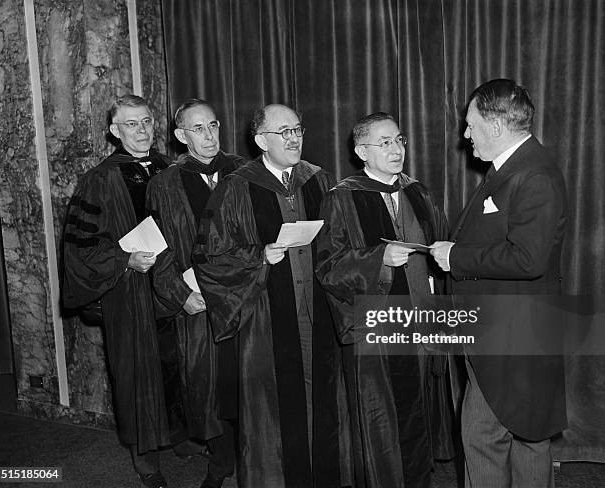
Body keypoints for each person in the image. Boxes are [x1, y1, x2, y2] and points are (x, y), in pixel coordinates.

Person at [193, 104, 349, 487]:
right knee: (272, 406)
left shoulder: (318, 179)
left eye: (298, 129)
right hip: (266, 316)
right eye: (285, 132)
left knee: (325, 397)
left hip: (318, 309)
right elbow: (209, 256)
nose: (295, 138)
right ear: (262, 140)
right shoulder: (237, 185)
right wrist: (258, 255)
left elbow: (340, 242)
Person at [430, 78, 568, 488]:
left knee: (483, 436)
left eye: (470, 124)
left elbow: (528, 259)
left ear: (494, 125)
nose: (465, 134)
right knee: (527, 436)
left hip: (509, 335)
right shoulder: (514, 168)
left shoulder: (533, 173)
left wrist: (456, 256)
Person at [316, 112, 451, 488]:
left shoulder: (417, 191)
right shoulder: (342, 197)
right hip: (378, 325)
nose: (396, 150)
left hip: (420, 321)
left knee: (418, 409)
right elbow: (327, 266)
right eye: (385, 142)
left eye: (399, 140)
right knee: (380, 418)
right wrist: (378, 260)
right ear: (362, 151)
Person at [63, 94, 171, 488]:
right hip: (129, 290)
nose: (141, 131)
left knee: (175, 364)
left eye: (145, 122)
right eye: (130, 124)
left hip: (172, 286)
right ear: (114, 131)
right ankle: (146, 460)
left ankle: (182, 440)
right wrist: (124, 260)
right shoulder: (99, 180)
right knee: (137, 371)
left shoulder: (170, 167)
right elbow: (80, 247)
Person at [146, 99, 245, 488]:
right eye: (198, 129)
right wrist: (177, 293)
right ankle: (221, 463)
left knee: (249, 377)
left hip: (247, 295)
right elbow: (160, 246)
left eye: (213, 126)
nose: (208, 135)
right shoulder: (165, 183)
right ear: (180, 135)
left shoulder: (244, 171)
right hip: (199, 300)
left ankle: (257, 455)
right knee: (211, 382)